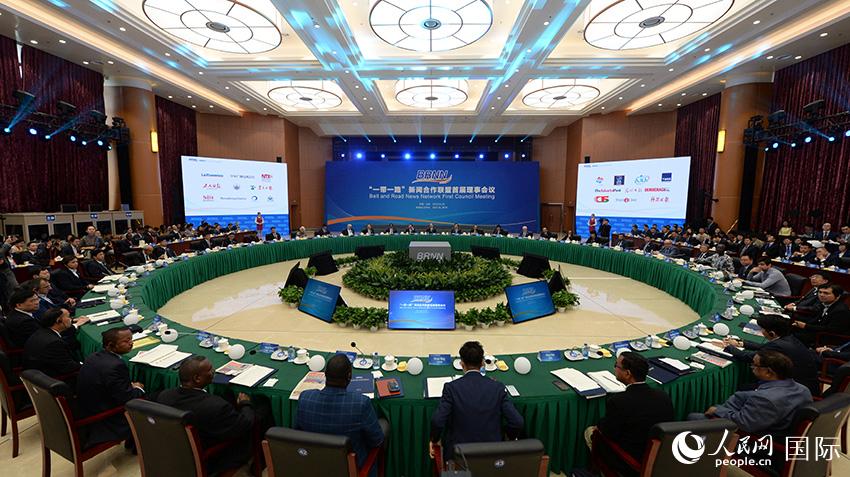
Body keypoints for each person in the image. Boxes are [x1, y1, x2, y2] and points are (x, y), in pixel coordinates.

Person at [156, 356, 257, 475]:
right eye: (209, 370)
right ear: (197, 378)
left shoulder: (164, 396)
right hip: (210, 458)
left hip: (172, 453)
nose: (213, 371)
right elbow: (245, 424)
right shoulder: (215, 406)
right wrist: (245, 403)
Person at [430, 341, 523, 461]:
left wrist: (434, 440)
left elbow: (437, 421)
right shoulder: (497, 388)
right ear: (482, 363)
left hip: (459, 455)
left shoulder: (451, 388)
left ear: (462, 364)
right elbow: (517, 422)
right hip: (493, 455)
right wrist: (508, 437)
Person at [585, 352, 674, 475]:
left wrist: (599, 425)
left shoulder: (618, 401)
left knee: (590, 431)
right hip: (659, 457)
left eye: (616, 366)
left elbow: (608, 432)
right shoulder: (663, 396)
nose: (615, 368)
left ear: (627, 373)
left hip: (630, 462)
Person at [296, 354, 385, 472]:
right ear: (349, 376)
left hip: (313, 467)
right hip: (351, 470)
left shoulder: (305, 398)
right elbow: (377, 441)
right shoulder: (360, 404)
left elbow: (297, 434)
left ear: (325, 374)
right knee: (383, 426)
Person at [689, 351, 812, 435]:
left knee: (693, 417)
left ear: (768, 372)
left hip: (754, 438)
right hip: (766, 421)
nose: (752, 367)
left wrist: (717, 411)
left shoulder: (765, 399)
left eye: (755, 365)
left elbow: (744, 424)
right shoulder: (803, 389)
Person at [76, 327, 145, 446]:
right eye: (126, 341)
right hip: (106, 418)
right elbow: (127, 398)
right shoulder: (115, 366)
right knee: (152, 399)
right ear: (110, 345)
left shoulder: (94, 356)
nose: (131, 343)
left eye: (131, 339)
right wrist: (138, 388)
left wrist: (128, 386)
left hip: (90, 406)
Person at [722, 315, 818, 394]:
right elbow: (764, 347)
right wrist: (741, 343)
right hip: (805, 382)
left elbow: (747, 357)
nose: (761, 331)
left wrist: (728, 347)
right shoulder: (789, 338)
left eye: (762, 329)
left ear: (772, 333)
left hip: (795, 389)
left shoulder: (777, 346)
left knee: (743, 389)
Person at [23, 308, 81, 380]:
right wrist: (84, 363)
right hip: (49, 379)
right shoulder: (54, 343)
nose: (70, 319)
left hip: (37, 370)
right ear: (58, 320)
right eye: (68, 317)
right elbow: (68, 367)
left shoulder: (42, 331)